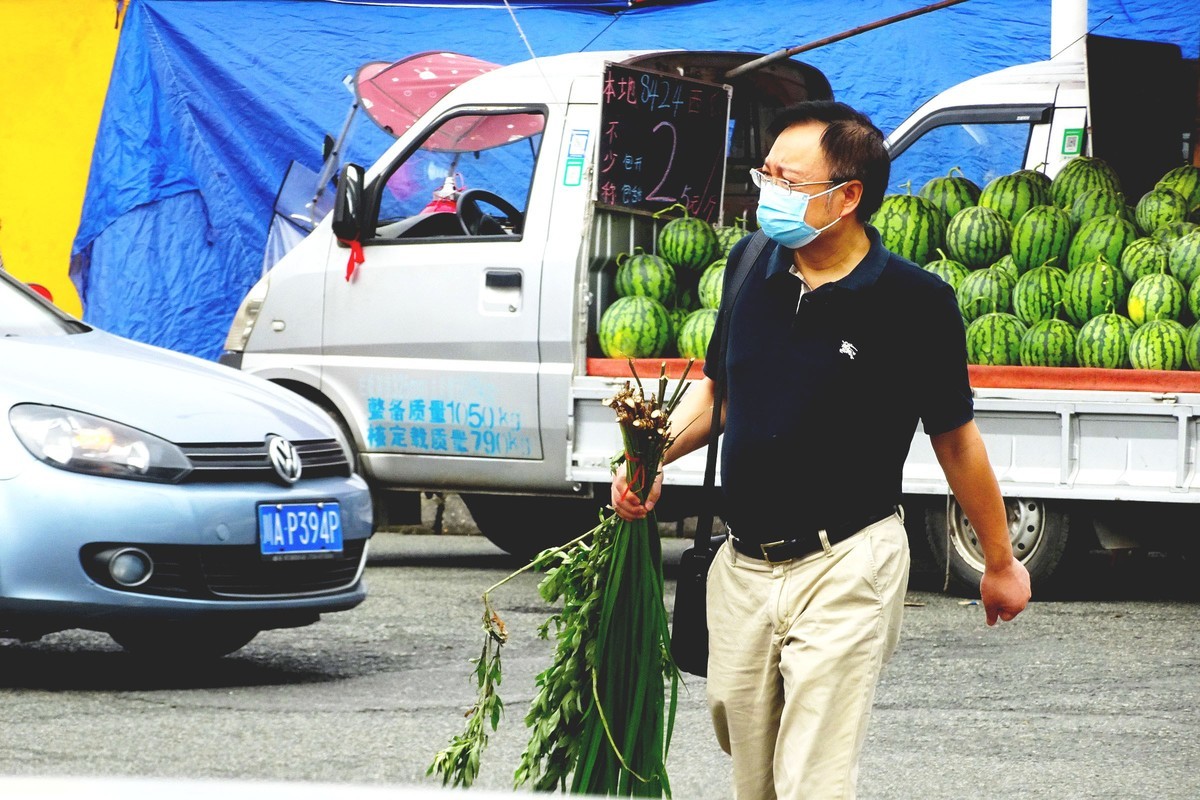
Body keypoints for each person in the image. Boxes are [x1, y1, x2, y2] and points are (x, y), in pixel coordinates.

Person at [611, 101, 1031, 800]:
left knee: (812, 777)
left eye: (788, 180)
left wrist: (999, 560)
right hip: (743, 567)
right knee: (751, 770)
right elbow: (718, 393)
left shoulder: (915, 302)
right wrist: (648, 465)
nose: (766, 192)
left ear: (847, 197)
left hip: (847, 564)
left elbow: (955, 440)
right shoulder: (748, 265)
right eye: (765, 173)